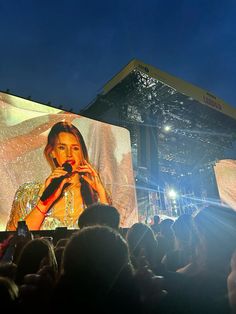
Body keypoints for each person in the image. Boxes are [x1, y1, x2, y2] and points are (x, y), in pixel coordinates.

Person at [6, 121, 111, 231]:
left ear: (82, 154)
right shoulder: (28, 193)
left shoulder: (98, 196)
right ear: (52, 152)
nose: (69, 154)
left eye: (75, 148)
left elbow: (109, 238)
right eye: (62, 147)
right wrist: (43, 204)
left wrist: (102, 193)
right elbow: (13, 240)